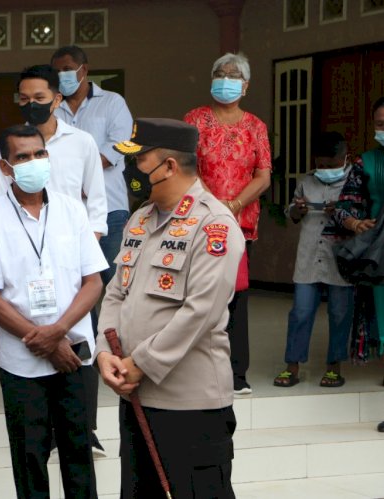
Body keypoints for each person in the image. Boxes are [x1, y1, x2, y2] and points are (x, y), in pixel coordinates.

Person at [96, 118, 243, 498]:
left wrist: (140, 363)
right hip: (136, 396)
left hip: (189, 404)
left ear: (170, 167)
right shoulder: (140, 219)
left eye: (139, 161)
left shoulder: (214, 225)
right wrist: (103, 352)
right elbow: (116, 291)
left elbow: (201, 311)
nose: (131, 171)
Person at [0, 124, 107, 498]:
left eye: (39, 154)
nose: (34, 162)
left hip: (74, 356)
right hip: (21, 362)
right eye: (23, 157)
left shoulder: (71, 210)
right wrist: (45, 341)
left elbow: (93, 281)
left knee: (79, 454)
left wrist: (58, 331)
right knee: (29, 459)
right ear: (5, 167)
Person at [51, 44, 133, 455]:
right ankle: (82, 422)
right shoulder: (52, 108)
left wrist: (81, 162)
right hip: (63, 218)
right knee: (70, 303)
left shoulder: (112, 103)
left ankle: (115, 390)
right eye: (58, 72)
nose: (63, 77)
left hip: (109, 214)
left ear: (84, 69)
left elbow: (122, 148)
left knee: (106, 303)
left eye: (68, 70)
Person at [184, 52, 272, 395]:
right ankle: (196, 370)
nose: (226, 80)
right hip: (198, 220)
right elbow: (188, 166)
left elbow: (263, 176)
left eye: (233, 75)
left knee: (236, 296)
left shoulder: (256, 127)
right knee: (200, 293)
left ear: (246, 86)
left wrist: (233, 205)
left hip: (238, 222)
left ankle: (237, 375)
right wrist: (210, 204)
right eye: (220, 73)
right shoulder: (195, 119)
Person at [274, 132, 354, 388]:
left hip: (341, 260)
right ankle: (292, 366)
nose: (326, 170)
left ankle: (334, 367)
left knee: (340, 313)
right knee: (300, 312)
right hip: (308, 258)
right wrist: (297, 210)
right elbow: (291, 212)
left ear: (345, 158)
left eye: (332, 165)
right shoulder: (306, 181)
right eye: (321, 165)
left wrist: (341, 213)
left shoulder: (355, 181)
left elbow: (362, 215)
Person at [0, 64, 107, 239]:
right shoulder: (8, 144)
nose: (31, 104)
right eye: (24, 98)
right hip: (23, 238)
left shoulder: (82, 141)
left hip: (72, 238)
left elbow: (97, 198)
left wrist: (91, 240)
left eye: (39, 98)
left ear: (57, 100)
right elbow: (1, 196)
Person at [332, 98, 384, 431]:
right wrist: (354, 224)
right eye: (380, 123)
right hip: (381, 256)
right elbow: (344, 207)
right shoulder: (365, 162)